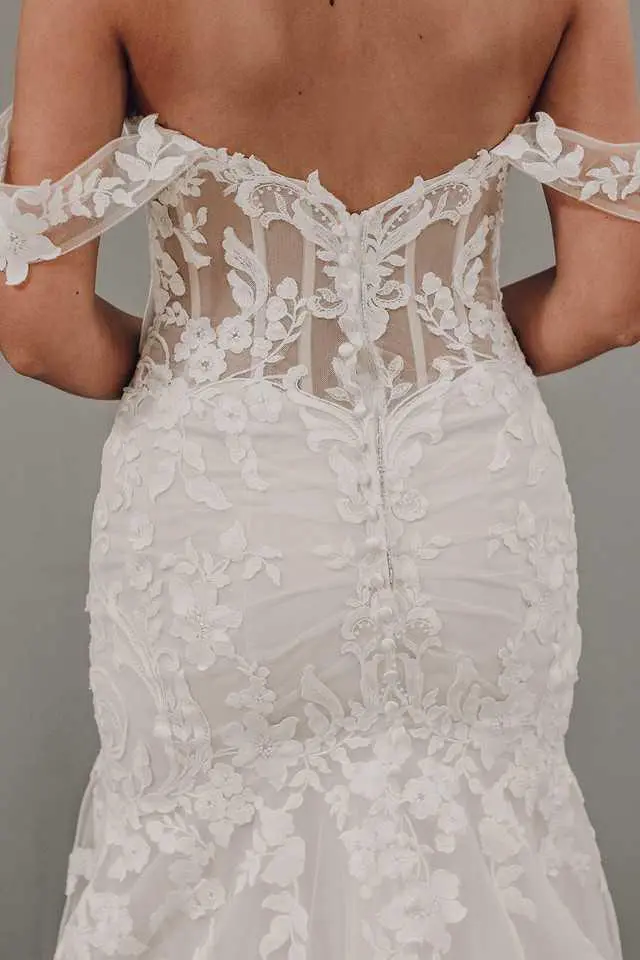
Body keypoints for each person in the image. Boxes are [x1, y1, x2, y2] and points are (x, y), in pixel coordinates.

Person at [0, 0, 639, 957]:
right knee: (489, 851)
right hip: (470, 488)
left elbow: (41, 329)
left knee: (207, 866)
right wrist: (437, 341)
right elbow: (607, 301)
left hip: (225, 497)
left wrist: (207, 358)